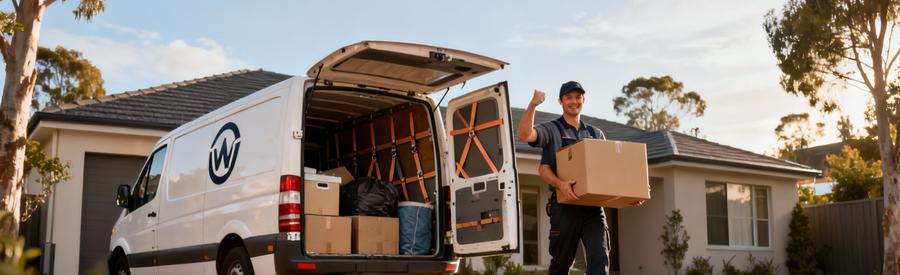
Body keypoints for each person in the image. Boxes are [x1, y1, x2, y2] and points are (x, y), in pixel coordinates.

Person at [516, 81, 610, 275]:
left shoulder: (596, 134)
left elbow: (607, 171)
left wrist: (630, 192)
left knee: (600, 258)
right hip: (565, 207)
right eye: (569, 97)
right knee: (561, 263)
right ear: (561, 101)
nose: (573, 101)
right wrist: (533, 104)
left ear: (583, 99)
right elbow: (526, 137)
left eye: (577, 97)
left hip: (593, 208)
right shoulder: (552, 129)